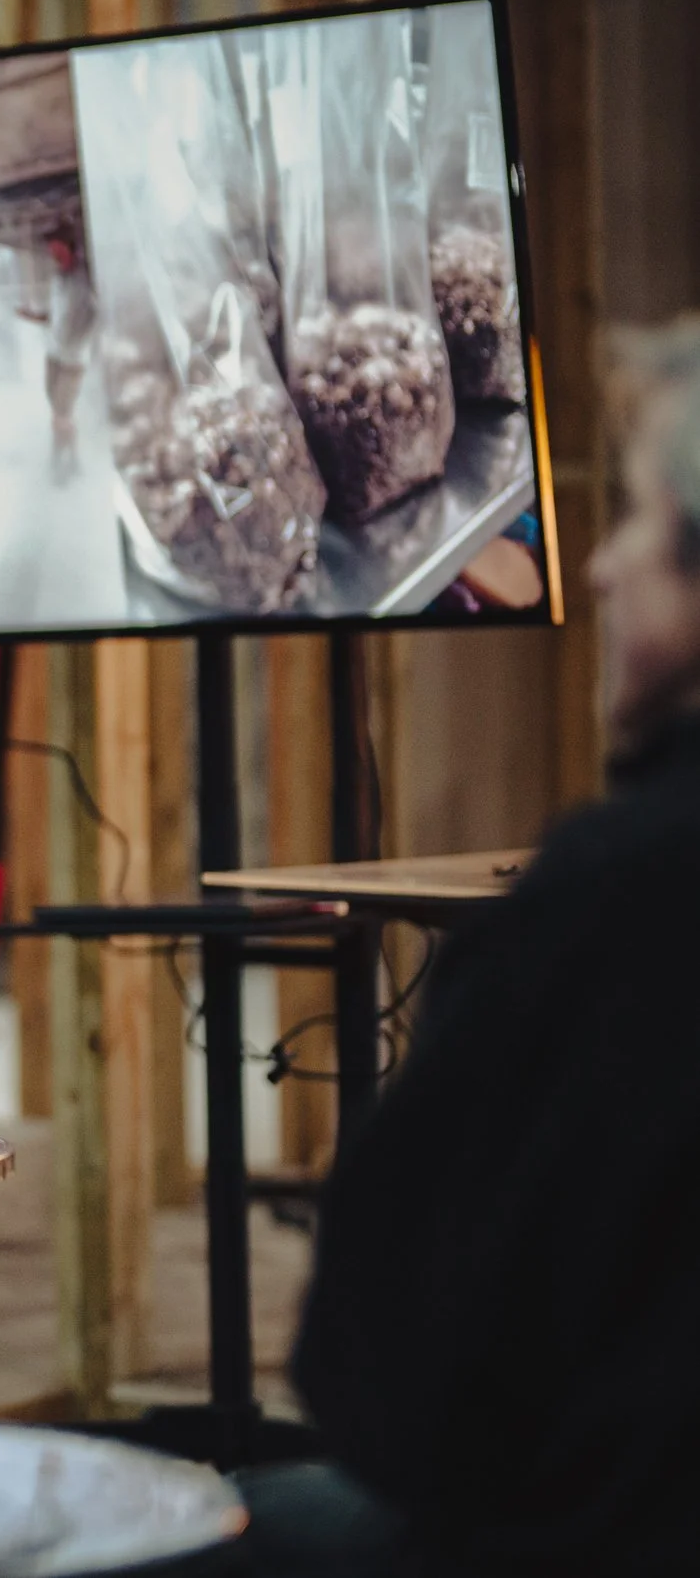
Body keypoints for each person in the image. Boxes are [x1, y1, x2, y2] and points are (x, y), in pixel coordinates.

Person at [254, 319, 700, 1577]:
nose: (600, 567)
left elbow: (378, 1380)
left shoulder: (608, 905)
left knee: (225, 1515)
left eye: (640, 524)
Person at [16, 233, 96, 473]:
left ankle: (58, 463)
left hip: (73, 358)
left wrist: (83, 340)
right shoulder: (58, 281)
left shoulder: (85, 282)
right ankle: (72, 459)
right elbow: (56, 316)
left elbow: (98, 316)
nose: (55, 258)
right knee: (60, 412)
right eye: (53, 253)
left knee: (61, 414)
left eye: (59, 252)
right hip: (54, 353)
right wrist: (33, 316)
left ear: (71, 251)